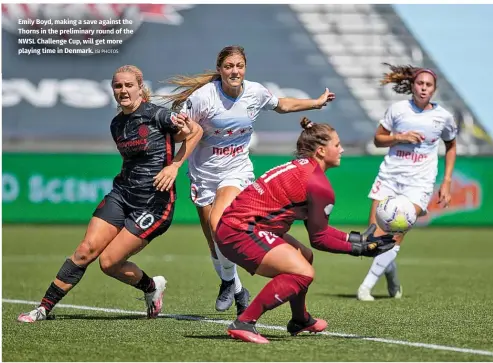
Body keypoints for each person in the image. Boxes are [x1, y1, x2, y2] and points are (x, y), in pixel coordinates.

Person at [17, 65, 203, 323]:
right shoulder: (117, 124)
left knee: (109, 263)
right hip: (121, 195)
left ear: (140, 88)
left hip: (153, 204)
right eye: (118, 86)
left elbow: (195, 132)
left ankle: (151, 287)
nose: (123, 90)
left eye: (129, 85)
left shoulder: (158, 115)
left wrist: (174, 166)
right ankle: (43, 309)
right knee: (85, 250)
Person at [163, 45, 336, 315]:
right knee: (214, 240)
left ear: (245, 68)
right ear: (220, 69)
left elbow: (282, 105)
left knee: (219, 222)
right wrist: (179, 136)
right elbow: (179, 134)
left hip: (236, 170)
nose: (235, 71)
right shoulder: (203, 98)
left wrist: (315, 102)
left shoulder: (255, 93)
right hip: (203, 173)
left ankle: (231, 282)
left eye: (239, 66)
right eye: (229, 66)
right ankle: (233, 285)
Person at [214, 117, 396, 344]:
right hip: (239, 230)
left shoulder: (306, 169)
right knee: (302, 273)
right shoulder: (318, 185)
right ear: (321, 151)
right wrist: (359, 249)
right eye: (336, 145)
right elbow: (319, 238)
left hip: (239, 226)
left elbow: (319, 231)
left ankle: (300, 319)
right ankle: (245, 322)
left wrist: (357, 239)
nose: (341, 149)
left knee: (305, 257)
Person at [356, 63, 457, 301]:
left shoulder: (443, 117)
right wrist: (399, 137)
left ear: (434, 89)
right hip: (390, 178)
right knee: (373, 240)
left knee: (395, 236)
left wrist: (447, 182)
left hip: (419, 183)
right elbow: (378, 140)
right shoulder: (398, 110)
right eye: (420, 84)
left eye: (428, 85)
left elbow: (451, 146)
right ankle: (391, 275)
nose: (424, 88)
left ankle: (365, 288)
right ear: (412, 85)